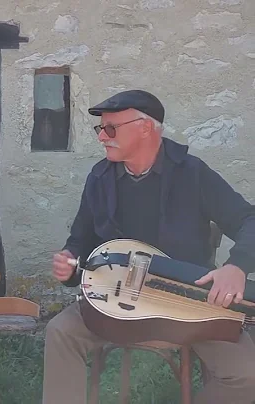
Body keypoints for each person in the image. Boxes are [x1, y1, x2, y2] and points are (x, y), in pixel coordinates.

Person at [42, 89, 255, 404]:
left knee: (247, 376)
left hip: (186, 298)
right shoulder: (99, 178)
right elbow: (79, 242)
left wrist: (236, 266)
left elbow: (247, 219)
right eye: (100, 128)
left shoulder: (192, 173)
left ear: (145, 128)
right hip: (116, 299)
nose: (102, 137)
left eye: (111, 128)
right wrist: (69, 265)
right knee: (60, 332)